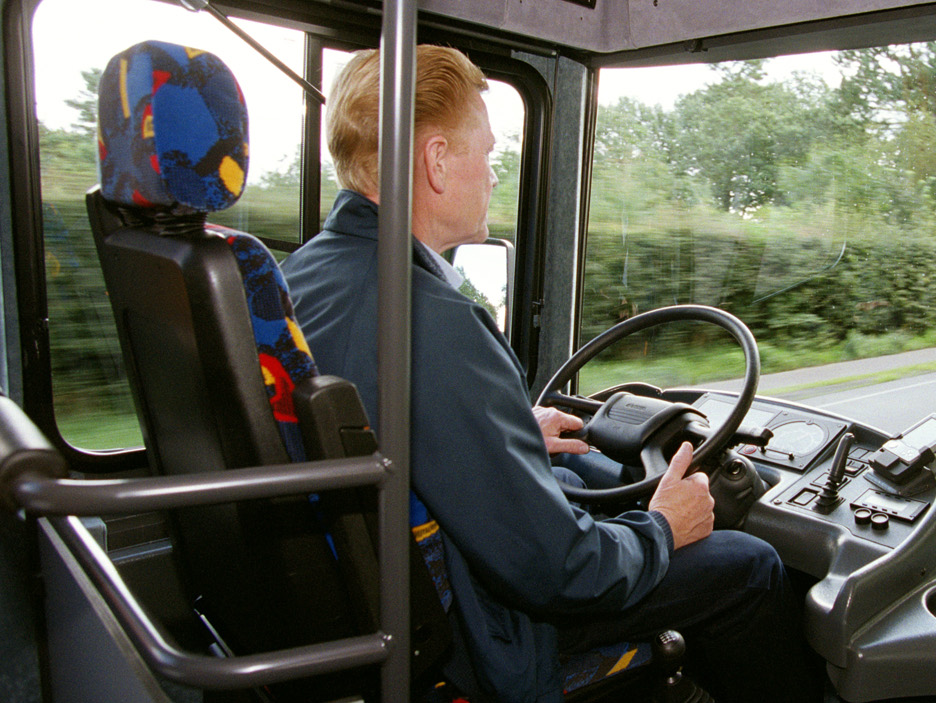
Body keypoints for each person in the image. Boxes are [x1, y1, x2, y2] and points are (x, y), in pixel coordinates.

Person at [280, 45, 818, 703]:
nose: (492, 174)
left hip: (390, 588)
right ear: (437, 161)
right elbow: (558, 569)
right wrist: (662, 527)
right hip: (482, 634)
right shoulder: (431, 319)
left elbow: (397, 427)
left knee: (577, 476)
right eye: (486, 153)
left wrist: (502, 432)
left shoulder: (302, 276)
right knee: (750, 564)